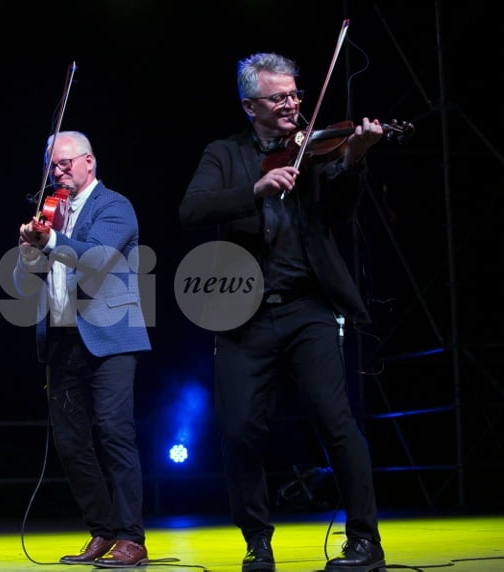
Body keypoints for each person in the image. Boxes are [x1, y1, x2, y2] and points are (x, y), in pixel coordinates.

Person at [179, 52, 386, 572]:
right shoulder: (224, 153)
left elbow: (340, 211)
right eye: (279, 98)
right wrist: (255, 189)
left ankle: (365, 541)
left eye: (295, 94)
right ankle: (257, 540)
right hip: (241, 313)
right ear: (251, 106)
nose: (293, 104)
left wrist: (355, 158)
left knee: (337, 422)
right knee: (238, 429)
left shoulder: (316, 148)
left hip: (307, 306)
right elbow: (192, 209)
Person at [13, 130, 151, 568]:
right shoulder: (49, 214)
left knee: (114, 433)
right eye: (52, 165)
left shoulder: (114, 206)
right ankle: (102, 530)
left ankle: (131, 537)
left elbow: (95, 259)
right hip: (60, 339)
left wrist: (50, 242)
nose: (58, 172)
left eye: (66, 163)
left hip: (109, 340)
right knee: (71, 443)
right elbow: (21, 285)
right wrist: (28, 253)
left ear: (89, 162)